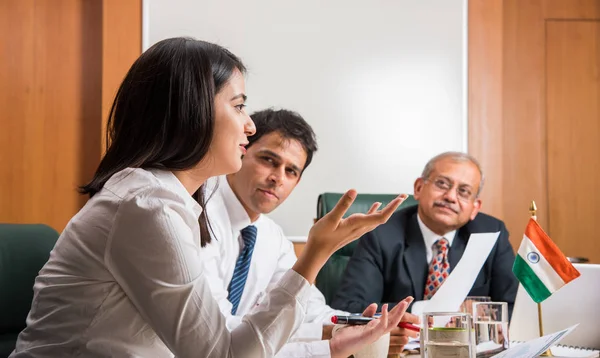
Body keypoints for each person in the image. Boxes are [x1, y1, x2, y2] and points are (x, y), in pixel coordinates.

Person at [10, 37, 409, 358]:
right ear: (192, 110)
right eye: (238, 107)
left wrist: (330, 344)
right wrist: (315, 255)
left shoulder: (169, 200)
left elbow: (232, 339)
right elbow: (223, 353)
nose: (249, 126)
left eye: (292, 171)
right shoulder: (147, 206)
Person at [201, 109, 420, 356]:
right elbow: (221, 335)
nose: (278, 178)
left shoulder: (271, 237)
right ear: (241, 150)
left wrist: (363, 325)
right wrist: (335, 336)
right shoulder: (197, 215)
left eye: (291, 171)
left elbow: (311, 311)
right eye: (268, 160)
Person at [331, 152, 518, 317]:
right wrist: (431, 310)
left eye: (463, 191)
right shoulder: (380, 234)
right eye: (442, 184)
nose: (451, 197)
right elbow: (349, 308)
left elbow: (513, 307)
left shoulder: (492, 233)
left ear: (475, 207)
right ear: (419, 188)